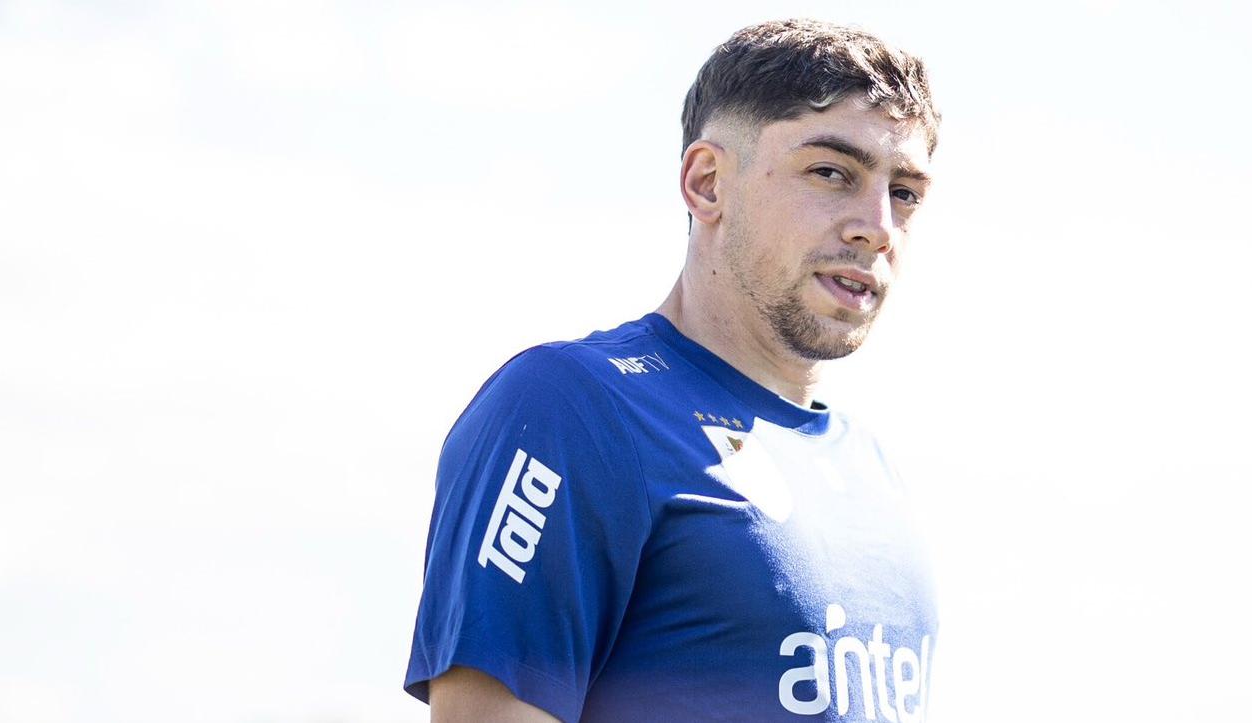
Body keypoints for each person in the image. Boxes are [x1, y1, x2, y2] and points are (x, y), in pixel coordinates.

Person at [404, 18, 943, 722]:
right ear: (708, 182)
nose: (877, 225)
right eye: (832, 172)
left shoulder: (874, 469)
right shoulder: (575, 409)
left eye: (904, 192)